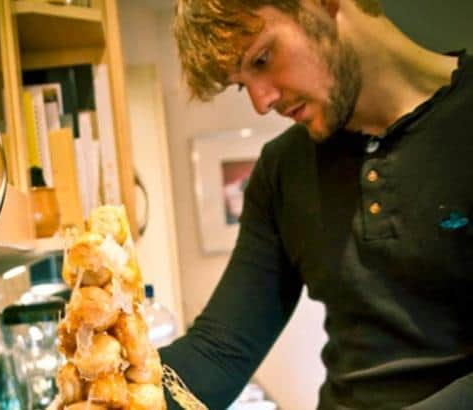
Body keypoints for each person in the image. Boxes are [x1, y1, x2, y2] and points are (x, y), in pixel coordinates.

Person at [158, 0, 473, 409]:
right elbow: (218, 353)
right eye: (241, 83)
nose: (260, 101)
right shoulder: (282, 171)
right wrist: (114, 391)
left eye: (262, 59)